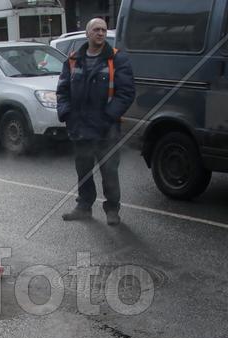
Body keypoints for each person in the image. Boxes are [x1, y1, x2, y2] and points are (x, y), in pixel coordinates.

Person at [57, 18, 135, 225]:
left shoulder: (118, 60)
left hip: (106, 128)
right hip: (80, 127)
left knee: (109, 170)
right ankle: (83, 207)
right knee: (83, 170)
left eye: (103, 30)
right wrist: (66, 114)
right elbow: (62, 90)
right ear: (87, 34)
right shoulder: (73, 60)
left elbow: (126, 93)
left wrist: (108, 117)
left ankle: (112, 210)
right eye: (96, 30)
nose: (100, 33)